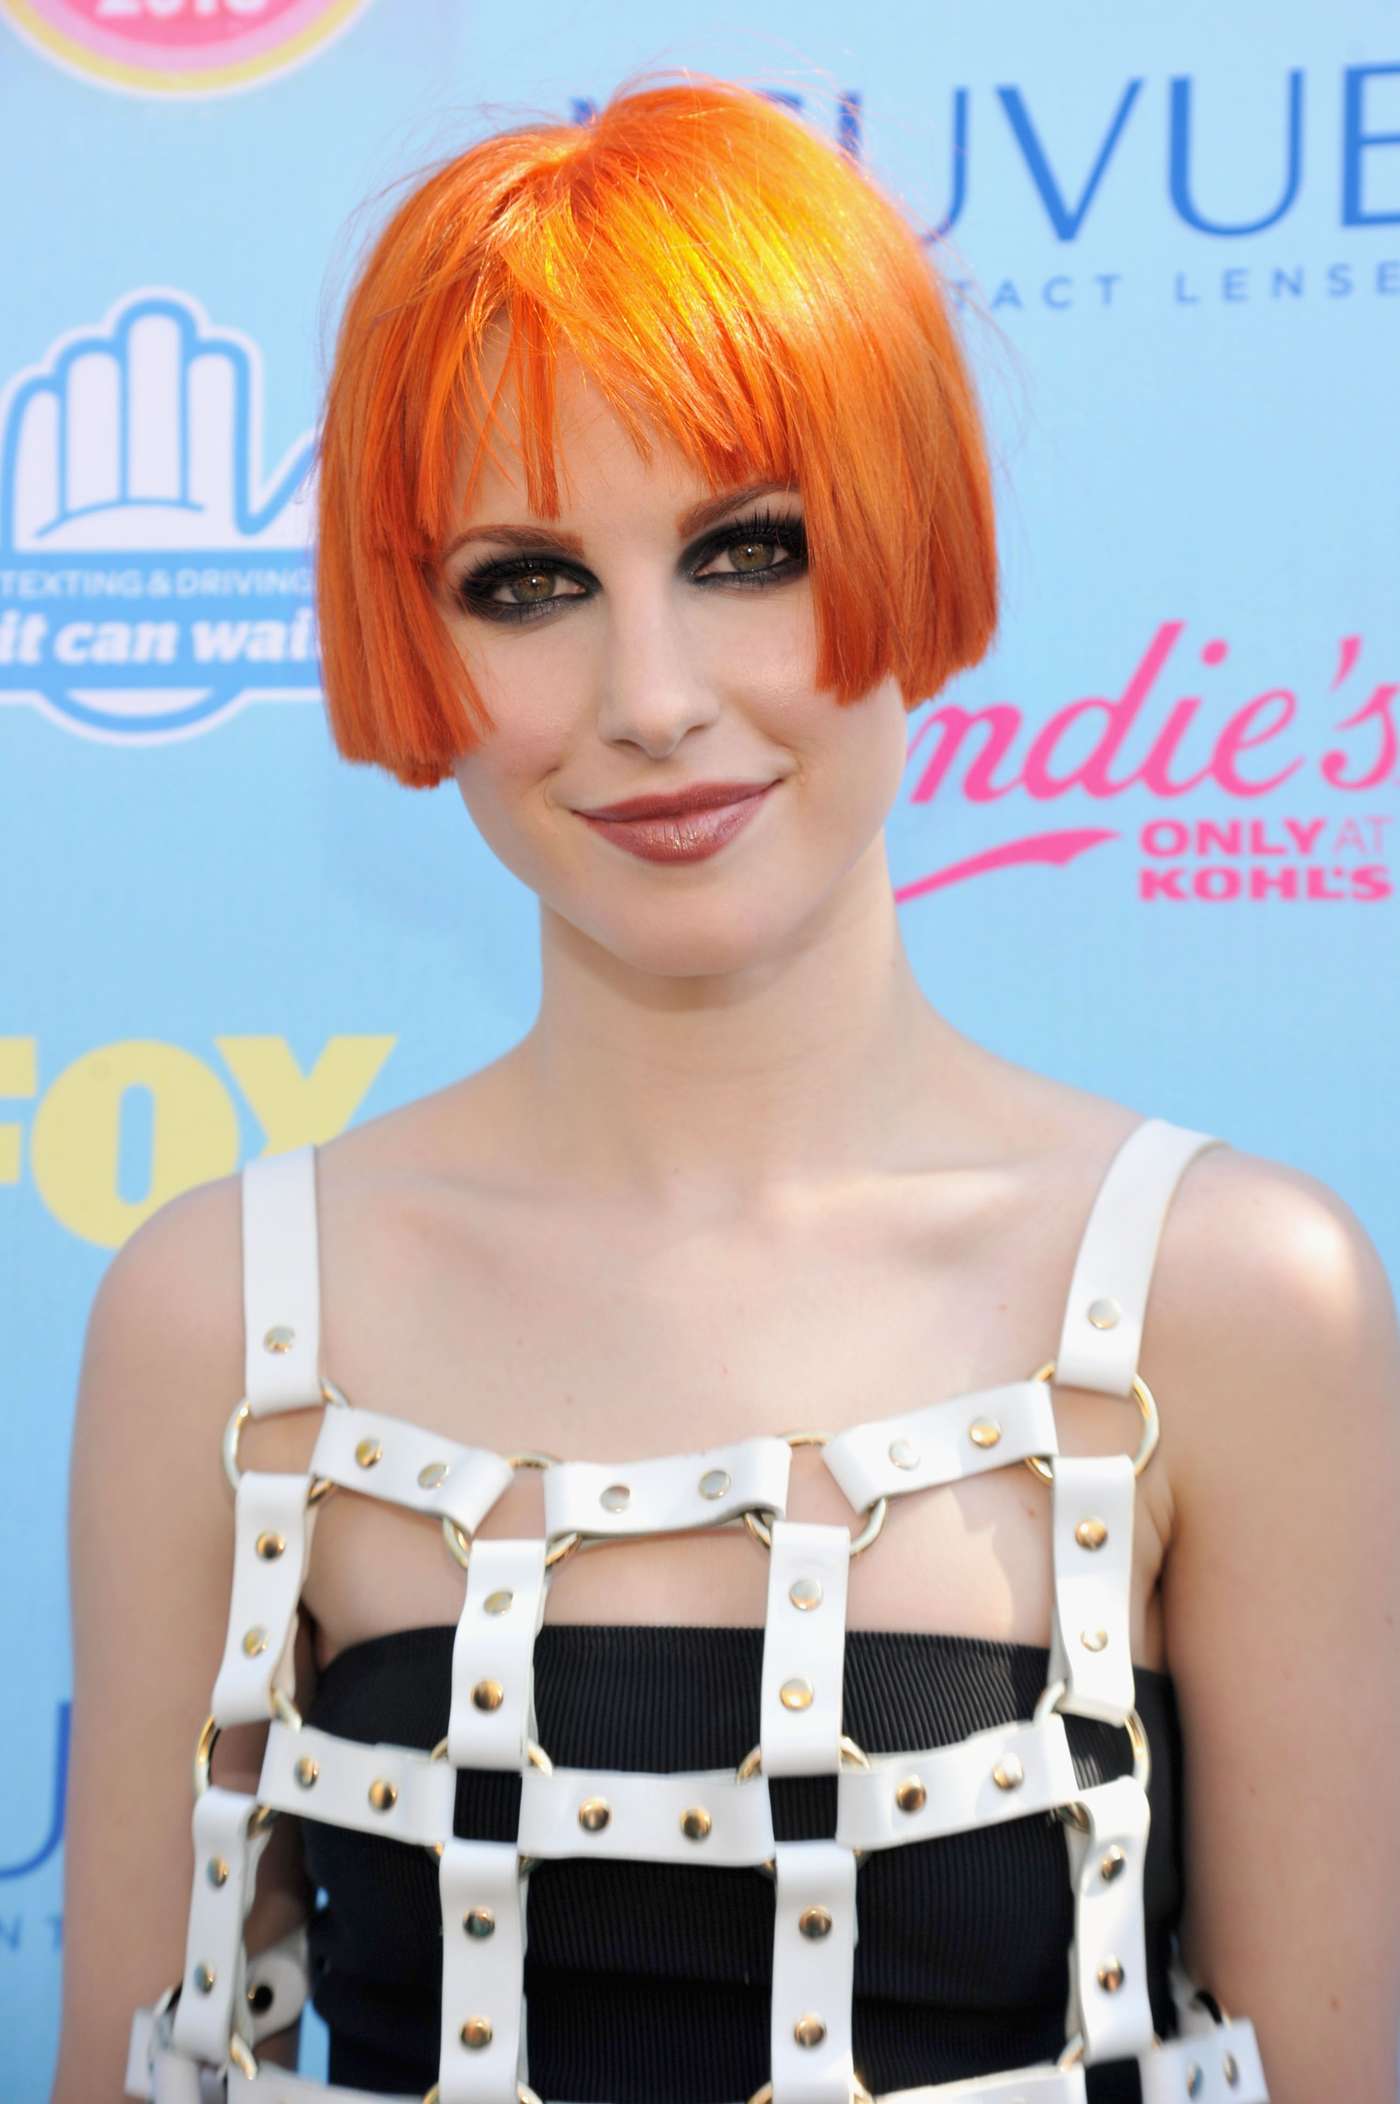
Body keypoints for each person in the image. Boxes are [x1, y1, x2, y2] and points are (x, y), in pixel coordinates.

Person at [53, 70, 1400, 2104]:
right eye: (527, 582)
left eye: (750, 548)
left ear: (910, 538)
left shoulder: (1235, 1301)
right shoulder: (227, 1318)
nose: (654, 699)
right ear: (409, 633)